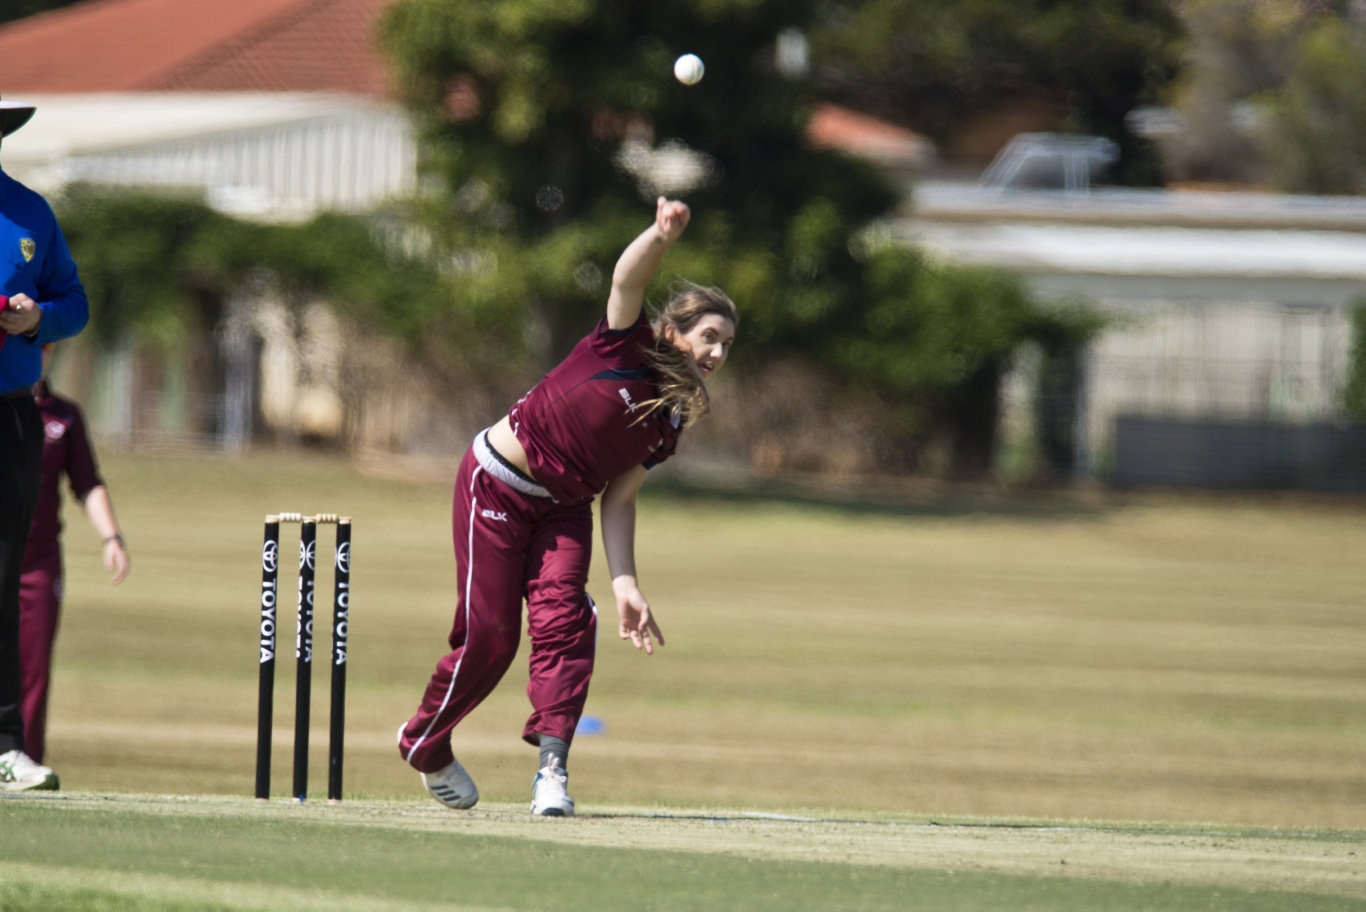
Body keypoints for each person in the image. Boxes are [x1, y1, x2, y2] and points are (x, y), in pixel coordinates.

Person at [397, 197, 737, 816]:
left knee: (568, 624)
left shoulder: (672, 419)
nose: (716, 353)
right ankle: (425, 742)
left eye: (725, 345)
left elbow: (621, 496)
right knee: (492, 638)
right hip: (496, 483)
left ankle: (551, 771)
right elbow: (626, 278)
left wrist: (626, 584)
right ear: (674, 332)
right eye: (708, 336)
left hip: (564, 510)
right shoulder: (621, 346)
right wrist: (660, 236)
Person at [0, 94, 90, 792]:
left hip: (10, 414)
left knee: (2, 577)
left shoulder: (30, 213)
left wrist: (37, 321)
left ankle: (5, 745)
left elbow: (75, 304)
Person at [20, 345, 129, 765]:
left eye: (43, 344)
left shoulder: (63, 416)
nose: (36, 352)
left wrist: (111, 537)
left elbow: (87, 482)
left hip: (39, 562)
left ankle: (21, 760)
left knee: (34, 668)